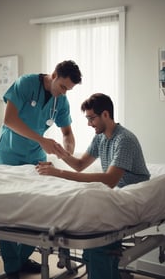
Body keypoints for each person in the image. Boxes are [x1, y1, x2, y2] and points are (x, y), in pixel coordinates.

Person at [36, 93, 150, 279]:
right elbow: (80, 165)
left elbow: (110, 179)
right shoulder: (101, 138)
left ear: (105, 114)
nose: (89, 124)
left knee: (98, 245)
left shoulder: (124, 140)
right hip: (114, 195)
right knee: (91, 239)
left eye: (91, 118)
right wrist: (60, 154)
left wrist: (60, 174)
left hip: (132, 196)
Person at [0, 60, 82, 279]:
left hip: (36, 158)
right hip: (10, 155)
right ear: (54, 75)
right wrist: (42, 139)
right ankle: (12, 267)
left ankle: (23, 257)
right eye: (62, 86)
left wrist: (68, 150)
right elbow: (9, 120)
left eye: (68, 90)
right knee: (6, 211)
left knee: (38, 210)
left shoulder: (61, 101)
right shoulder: (26, 84)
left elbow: (67, 133)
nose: (63, 93)